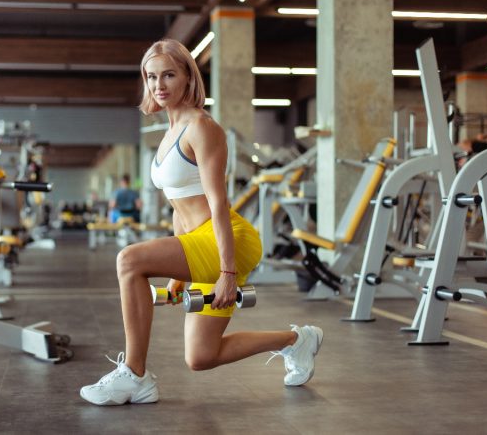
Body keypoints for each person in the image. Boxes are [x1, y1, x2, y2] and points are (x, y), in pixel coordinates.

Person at [80, 38, 323, 406]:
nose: (158, 86)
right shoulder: (167, 135)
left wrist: (227, 273)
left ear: (188, 78)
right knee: (201, 357)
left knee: (129, 260)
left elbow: (218, 203)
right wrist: (179, 277)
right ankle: (297, 341)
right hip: (201, 241)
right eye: (151, 77)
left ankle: (134, 374)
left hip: (229, 240)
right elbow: (179, 210)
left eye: (168, 75)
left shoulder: (202, 127)